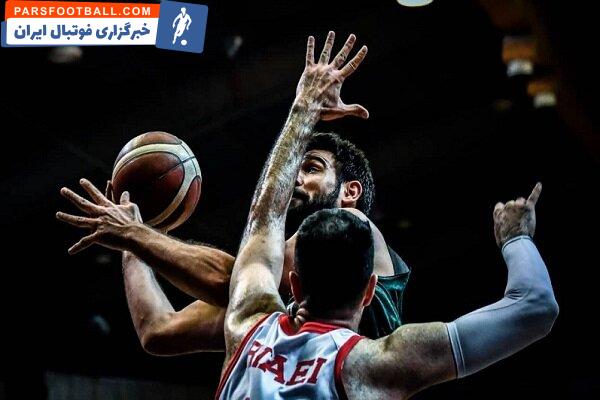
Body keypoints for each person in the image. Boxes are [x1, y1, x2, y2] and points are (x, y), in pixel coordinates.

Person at [218, 32, 558, 399]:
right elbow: (536, 306)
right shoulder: (375, 365)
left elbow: (263, 218)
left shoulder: (247, 327)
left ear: (294, 285)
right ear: (369, 290)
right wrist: (515, 238)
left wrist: (304, 107)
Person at [56, 33, 409, 354]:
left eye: (313, 168)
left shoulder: (356, 226)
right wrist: (131, 245)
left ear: (350, 191)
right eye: (296, 168)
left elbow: (237, 279)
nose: (295, 179)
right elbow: (159, 330)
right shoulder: (278, 304)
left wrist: (138, 235)